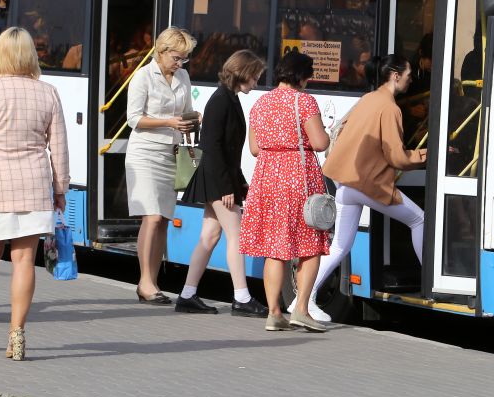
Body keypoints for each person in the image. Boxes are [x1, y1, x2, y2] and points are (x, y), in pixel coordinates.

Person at [0, 28, 69, 361]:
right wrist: (60, 188)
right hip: (34, 186)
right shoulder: (48, 92)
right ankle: (17, 335)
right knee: (24, 263)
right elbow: (59, 148)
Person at [306, 55, 428, 321]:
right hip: (366, 184)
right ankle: (429, 283)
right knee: (419, 220)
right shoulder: (390, 108)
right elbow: (397, 157)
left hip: (345, 183)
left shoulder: (368, 99)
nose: (411, 79)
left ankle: (301, 301)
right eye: (409, 74)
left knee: (339, 246)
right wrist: (424, 156)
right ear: (395, 75)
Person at [239, 51, 332, 333]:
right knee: (310, 243)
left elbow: (255, 149)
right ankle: (301, 309)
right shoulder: (304, 101)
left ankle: (274, 313)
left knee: (275, 248)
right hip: (297, 177)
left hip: (267, 177)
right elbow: (319, 142)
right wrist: (329, 133)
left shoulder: (260, 103)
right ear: (302, 76)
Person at [178, 50, 268, 317]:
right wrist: (227, 187)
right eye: (255, 77)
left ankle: (187, 295)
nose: (256, 82)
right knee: (235, 236)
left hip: (217, 177)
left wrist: (237, 181)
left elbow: (226, 150)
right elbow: (213, 147)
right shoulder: (222, 101)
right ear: (243, 73)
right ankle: (241, 298)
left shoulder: (227, 98)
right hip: (217, 179)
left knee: (209, 237)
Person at [125, 27, 199, 305]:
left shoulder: (183, 76)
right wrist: (169, 122)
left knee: (164, 221)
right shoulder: (143, 76)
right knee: (151, 217)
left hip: (173, 153)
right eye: (176, 58)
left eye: (184, 59)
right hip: (144, 153)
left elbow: (186, 111)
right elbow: (134, 119)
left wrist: (194, 118)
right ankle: (144, 281)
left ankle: (152, 282)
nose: (179, 63)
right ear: (162, 51)